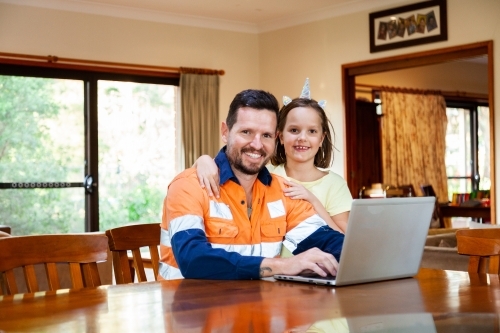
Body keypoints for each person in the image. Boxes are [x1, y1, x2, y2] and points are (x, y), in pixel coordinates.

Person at [160, 89, 344, 280]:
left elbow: (331, 243)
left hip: (259, 306)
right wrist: (284, 265)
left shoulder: (284, 191)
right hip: (190, 306)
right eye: (246, 132)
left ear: (275, 138)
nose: (257, 145)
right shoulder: (187, 187)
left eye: (266, 135)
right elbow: (193, 260)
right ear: (225, 132)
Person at [195, 79, 352, 239]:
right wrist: (203, 160)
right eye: (294, 130)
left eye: (312, 131)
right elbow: (228, 169)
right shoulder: (264, 174)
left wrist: (312, 200)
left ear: (321, 139)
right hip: (270, 262)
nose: (302, 138)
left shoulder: (335, 185)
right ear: (280, 136)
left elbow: (345, 241)